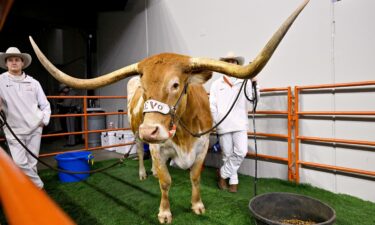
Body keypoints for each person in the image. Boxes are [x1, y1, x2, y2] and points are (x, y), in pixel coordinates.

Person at [0, 47, 51, 189]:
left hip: (35, 127)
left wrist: (43, 121)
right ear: (6, 63)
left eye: (17, 59)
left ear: (22, 63)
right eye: (10, 60)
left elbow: (45, 105)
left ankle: (30, 192)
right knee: (19, 163)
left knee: (32, 163)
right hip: (14, 130)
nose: (14, 62)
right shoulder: (0, 81)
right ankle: (39, 186)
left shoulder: (33, 83)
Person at [209, 52, 260, 193]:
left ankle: (222, 174)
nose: (231, 63)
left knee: (241, 151)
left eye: (234, 61)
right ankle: (233, 181)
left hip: (240, 123)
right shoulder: (216, 84)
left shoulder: (245, 81)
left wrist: (255, 83)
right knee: (227, 154)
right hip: (223, 124)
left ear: (238, 64)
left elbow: (253, 99)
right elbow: (212, 105)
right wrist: (217, 120)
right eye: (228, 61)